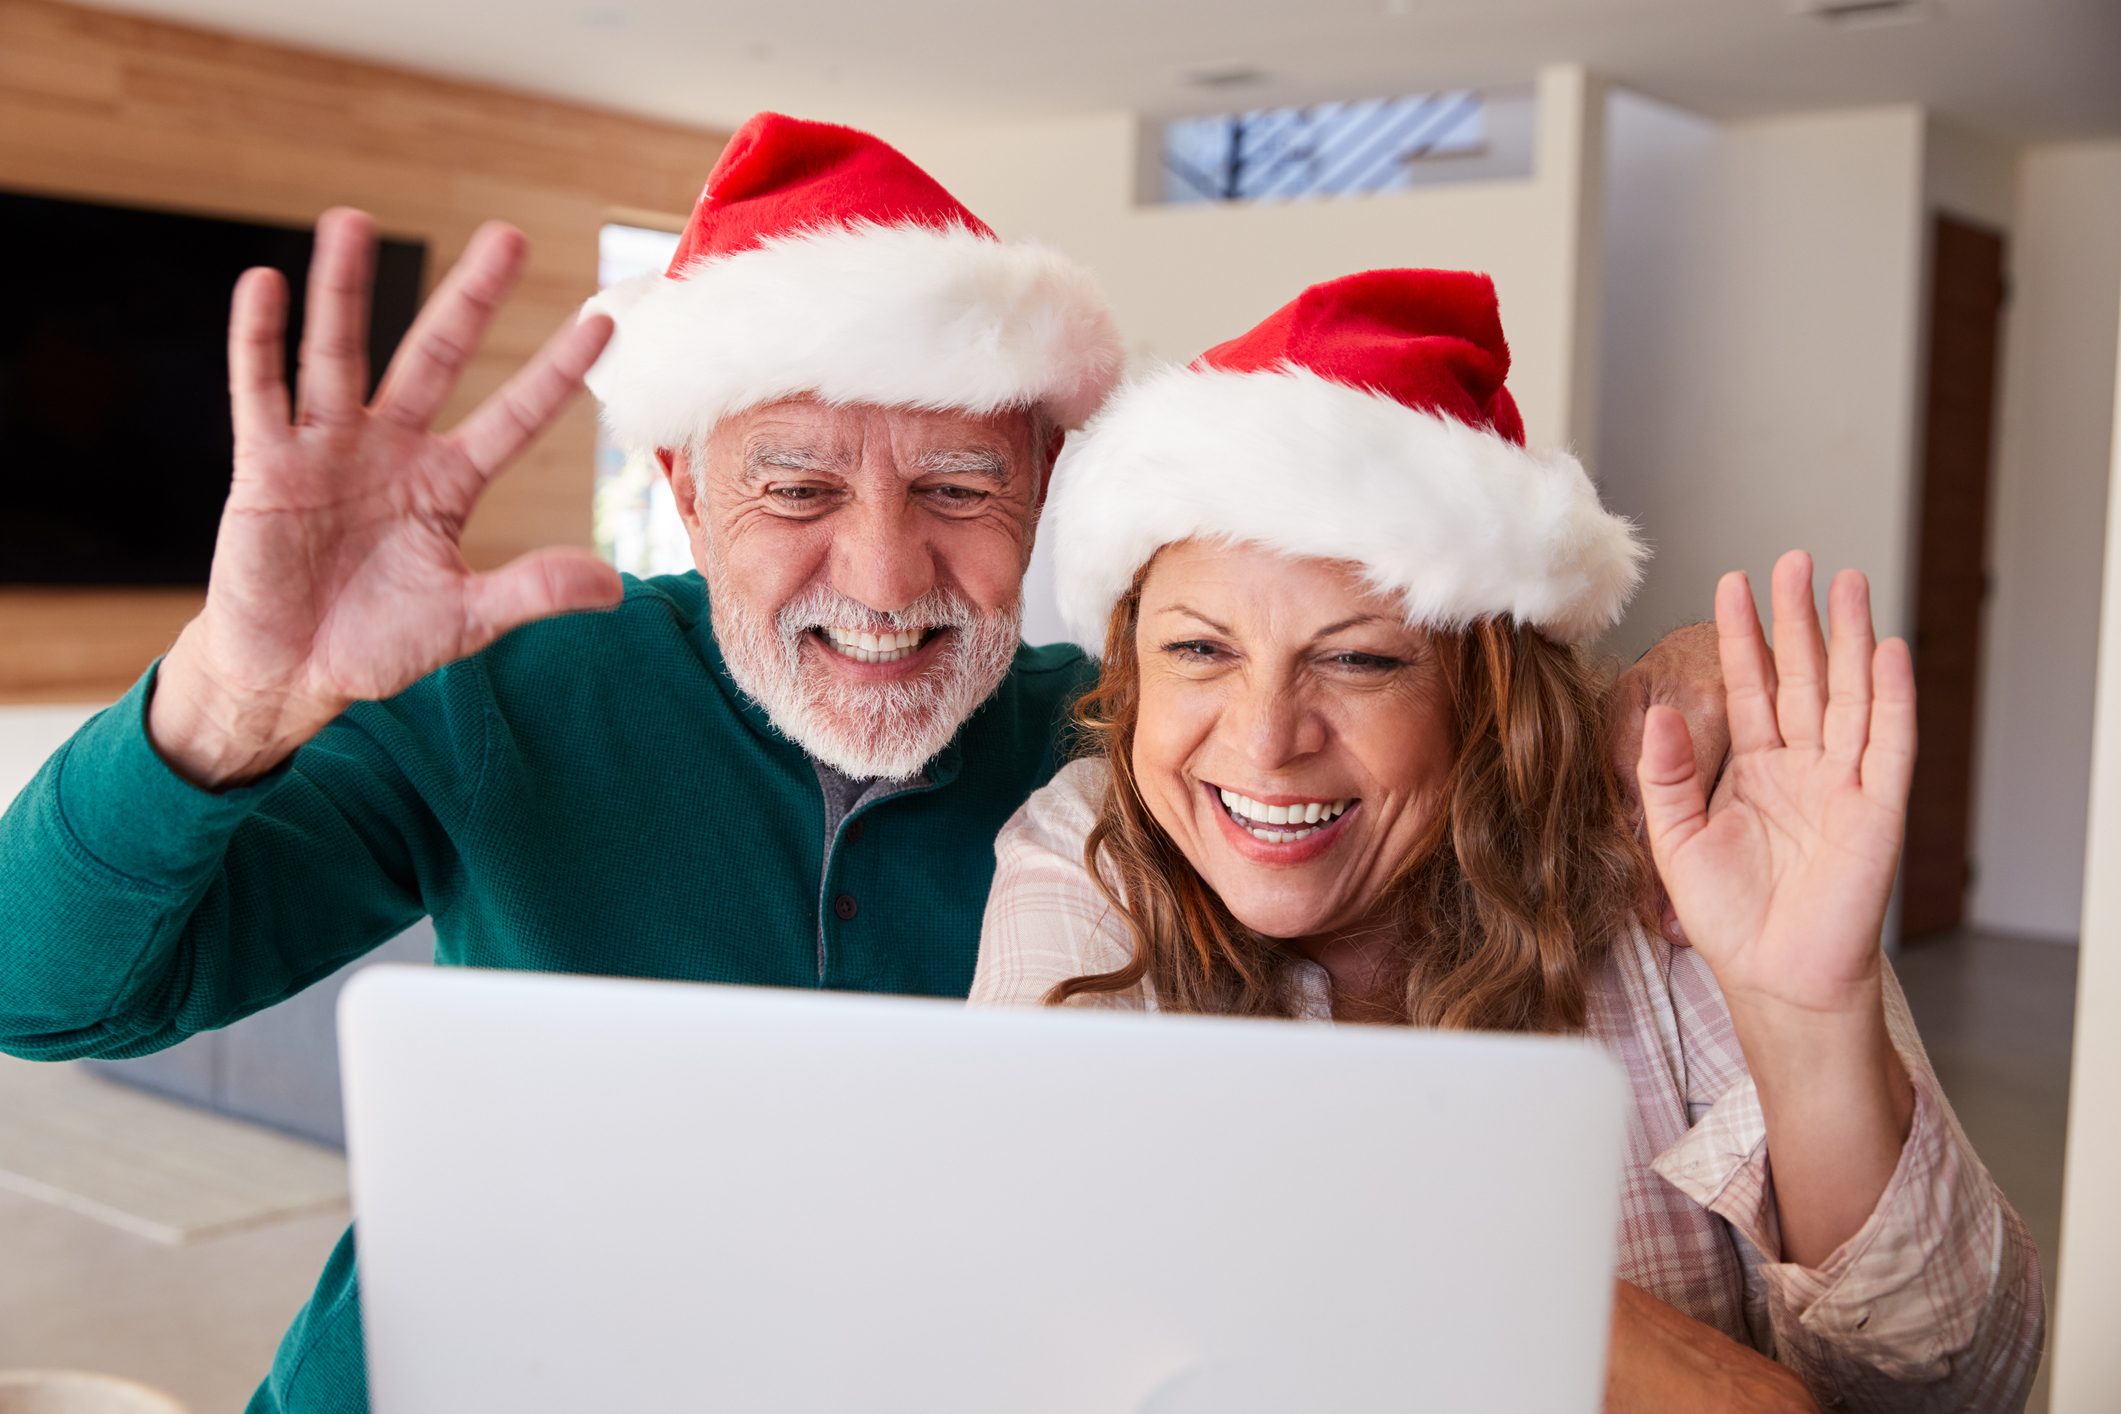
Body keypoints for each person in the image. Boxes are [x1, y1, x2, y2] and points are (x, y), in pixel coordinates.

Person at [0, 118, 1723, 1412]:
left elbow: (1411, 863)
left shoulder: (1135, 767)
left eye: (960, 488)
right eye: (800, 487)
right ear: (683, 484)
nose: (886, 579)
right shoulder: (500, 688)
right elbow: (41, 990)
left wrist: (1638, 728)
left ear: (1045, 482)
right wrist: (222, 700)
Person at [970, 269, 2045, 1411]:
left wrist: (1809, 1021)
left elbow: (1958, 1383)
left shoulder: (1680, 842)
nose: (1266, 741)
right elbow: (1048, 1295)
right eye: (1199, 650)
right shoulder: (1087, 849)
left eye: (1361, 657)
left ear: (1490, 696)